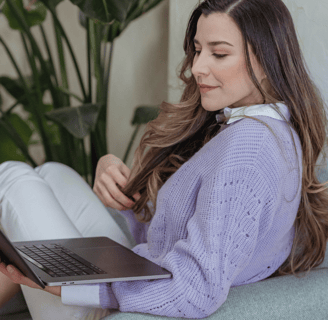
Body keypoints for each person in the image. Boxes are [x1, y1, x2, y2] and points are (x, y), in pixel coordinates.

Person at [1, 0, 328, 319]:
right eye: (198, 50)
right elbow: (177, 235)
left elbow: (196, 290)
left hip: (120, 304)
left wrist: (75, 288)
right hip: (140, 269)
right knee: (51, 173)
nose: (198, 67)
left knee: (12, 176)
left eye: (219, 53)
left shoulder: (250, 147)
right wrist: (126, 197)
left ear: (267, 60)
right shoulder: (264, 125)